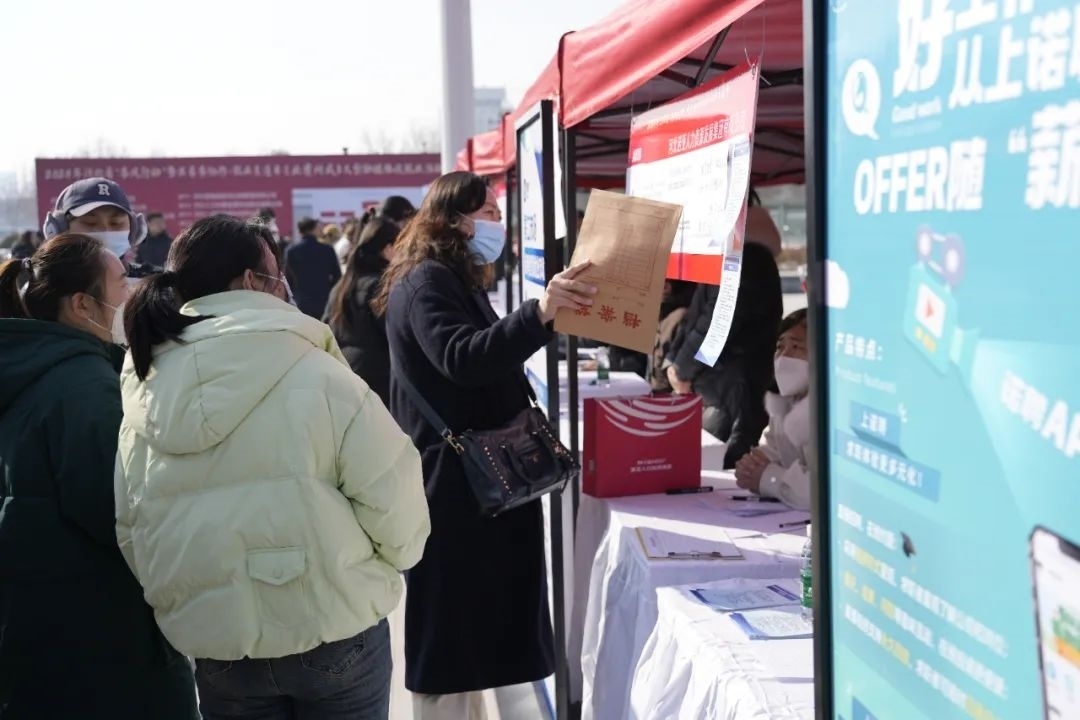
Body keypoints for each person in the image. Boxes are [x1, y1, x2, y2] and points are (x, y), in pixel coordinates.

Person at [115, 215, 430, 720]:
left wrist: (189, 595)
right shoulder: (318, 371)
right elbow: (392, 492)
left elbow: (133, 524)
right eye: (276, 272)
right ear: (252, 280)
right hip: (333, 623)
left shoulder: (145, 387)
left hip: (219, 642)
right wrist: (389, 563)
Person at [375, 172, 595, 719]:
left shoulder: (450, 277)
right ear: (454, 221)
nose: (498, 223)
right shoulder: (427, 281)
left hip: (479, 486)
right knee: (452, 643)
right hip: (456, 490)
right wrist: (537, 314)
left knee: (479, 642)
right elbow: (463, 357)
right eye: (489, 213)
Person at [0, 233, 198, 719]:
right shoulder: (83, 388)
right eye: (121, 282)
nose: (132, 293)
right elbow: (118, 515)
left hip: (37, 631)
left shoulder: (28, 367)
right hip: (103, 641)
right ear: (83, 304)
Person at [665, 199, 784, 468]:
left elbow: (718, 323)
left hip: (731, 384)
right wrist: (677, 362)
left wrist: (683, 368)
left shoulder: (746, 261)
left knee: (720, 466)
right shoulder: (734, 256)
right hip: (722, 381)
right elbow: (698, 315)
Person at [734, 309, 811, 510]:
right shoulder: (783, 404)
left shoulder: (831, 414)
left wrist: (768, 478)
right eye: (780, 347)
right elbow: (771, 450)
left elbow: (820, 491)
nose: (784, 356)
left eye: (796, 346)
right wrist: (750, 467)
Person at [325, 215, 400, 405]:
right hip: (380, 380)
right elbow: (397, 334)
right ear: (388, 249)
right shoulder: (381, 287)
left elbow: (325, 329)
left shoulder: (342, 285)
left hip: (344, 374)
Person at [41, 177, 148, 270]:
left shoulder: (150, 284)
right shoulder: (43, 284)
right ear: (61, 230)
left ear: (134, 230)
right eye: (90, 223)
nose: (106, 231)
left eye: (116, 223)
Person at [286, 215, 342, 317]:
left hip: (301, 302)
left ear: (300, 231)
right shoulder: (327, 250)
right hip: (324, 301)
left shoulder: (292, 251)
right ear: (314, 229)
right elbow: (337, 277)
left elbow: (288, 279)